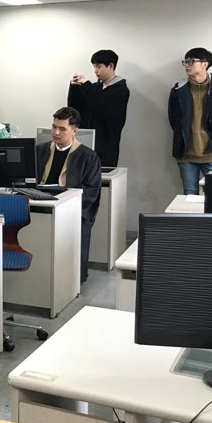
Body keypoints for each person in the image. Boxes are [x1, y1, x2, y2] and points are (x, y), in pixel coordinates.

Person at [35, 107, 101, 284]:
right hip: (41, 204)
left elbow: (91, 192)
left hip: (71, 209)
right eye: (54, 127)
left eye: (62, 129)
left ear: (74, 130)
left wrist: (65, 201)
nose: (56, 132)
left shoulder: (88, 156)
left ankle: (70, 282)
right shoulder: (40, 150)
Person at [168, 47, 212, 195]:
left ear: (205, 64)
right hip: (186, 155)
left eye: (191, 61)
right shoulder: (178, 90)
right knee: (189, 195)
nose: (187, 65)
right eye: (185, 62)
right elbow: (174, 120)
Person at [67, 49, 129, 167]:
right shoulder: (95, 88)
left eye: (99, 66)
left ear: (111, 66)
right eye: (94, 66)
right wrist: (74, 87)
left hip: (105, 147)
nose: (95, 70)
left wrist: (87, 86)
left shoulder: (120, 90)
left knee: (100, 176)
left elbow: (102, 111)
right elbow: (75, 109)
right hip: (85, 143)